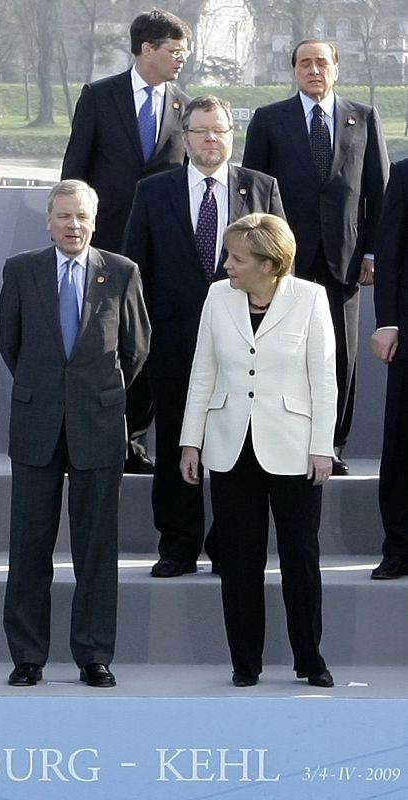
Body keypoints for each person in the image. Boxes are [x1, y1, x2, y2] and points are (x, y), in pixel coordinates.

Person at [0, 180, 150, 688]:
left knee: (96, 550)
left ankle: (93, 655)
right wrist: (49, 389)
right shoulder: (22, 270)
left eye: (81, 216)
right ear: (48, 220)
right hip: (37, 422)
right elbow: (9, 342)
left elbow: (135, 349)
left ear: (94, 220)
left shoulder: (121, 272)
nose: (73, 225)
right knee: (29, 547)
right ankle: (27, 656)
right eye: (64, 216)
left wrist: (93, 392)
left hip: (99, 425)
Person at [123, 95, 284, 578]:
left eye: (220, 131)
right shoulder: (154, 192)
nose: (211, 139)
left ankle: (228, 543)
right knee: (176, 442)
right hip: (173, 342)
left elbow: (280, 267)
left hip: (244, 344)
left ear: (231, 135)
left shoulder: (261, 188)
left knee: (235, 447)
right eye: (201, 131)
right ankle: (178, 545)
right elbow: (136, 271)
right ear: (185, 137)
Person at [179, 213, 335, 689]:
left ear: (270, 264)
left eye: (237, 258)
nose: (227, 265)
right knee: (239, 560)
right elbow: (202, 370)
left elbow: (324, 378)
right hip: (229, 446)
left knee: (300, 558)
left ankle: (310, 660)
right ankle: (245, 663)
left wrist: (322, 446)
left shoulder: (310, 298)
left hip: (293, 446)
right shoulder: (216, 298)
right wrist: (191, 439)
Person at [242, 39, 388, 475]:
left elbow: (378, 194)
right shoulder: (270, 120)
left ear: (336, 68)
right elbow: (252, 194)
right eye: (304, 62)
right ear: (294, 71)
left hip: (345, 260)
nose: (313, 69)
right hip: (284, 262)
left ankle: (332, 443)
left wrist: (374, 253)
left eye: (321, 62)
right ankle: (280, 440)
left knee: (340, 355)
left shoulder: (363, 117)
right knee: (281, 352)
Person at [61, 9, 192, 476]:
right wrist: (72, 231)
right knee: (102, 342)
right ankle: (96, 437)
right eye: (174, 50)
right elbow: (76, 168)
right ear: (146, 50)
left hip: (161, 248)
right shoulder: (100, 96)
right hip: (106, 243)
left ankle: (135, 438)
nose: (182, 58)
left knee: (146, 342)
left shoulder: (183, 105)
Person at [370, 159, 408, 579]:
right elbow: (390, 250)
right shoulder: (404, 173)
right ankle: (398, 547)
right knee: (400, 450)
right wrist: (387, 322)